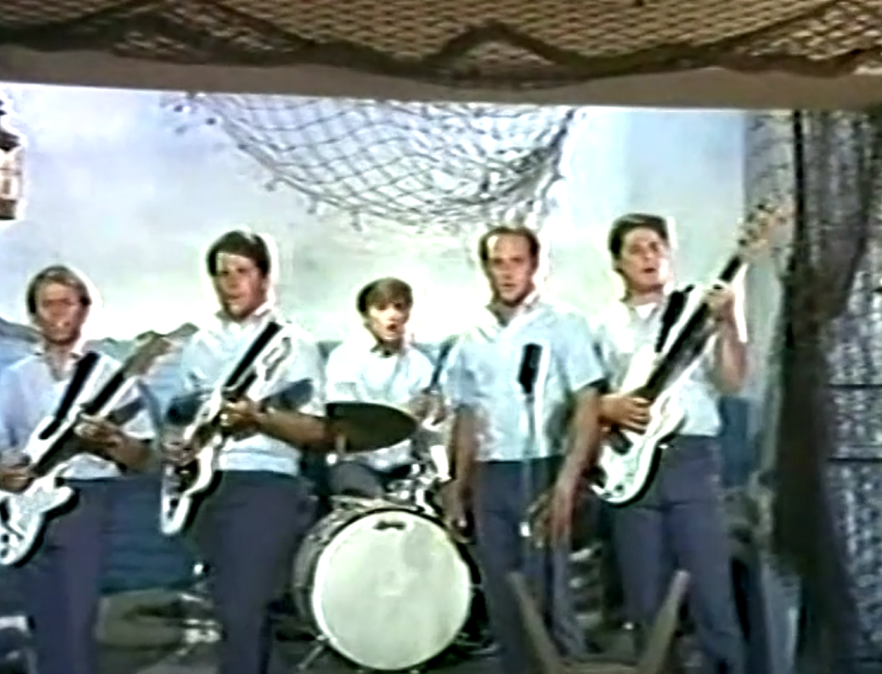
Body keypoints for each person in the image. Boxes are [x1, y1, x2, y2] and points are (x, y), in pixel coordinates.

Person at [0, 265, 156, 674]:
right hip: (24, 508)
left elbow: (144, 459)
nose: (57, 313)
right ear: (33, 315)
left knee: (75, 626)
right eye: (47, 304)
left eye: (66, 303)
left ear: (84, 310)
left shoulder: (111, 376)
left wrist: (110, 440)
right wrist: (0, 476)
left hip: (85, 503)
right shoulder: (15, 378)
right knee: (42, 626)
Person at [160, 229, 328, 674]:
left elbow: (315, 429)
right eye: (222, 274)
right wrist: (174, 444)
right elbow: (178, 416)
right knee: (236, 613)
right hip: (204, 489)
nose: (232, 283)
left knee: (243, 610)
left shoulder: (293, 345)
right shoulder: (200, 344)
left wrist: (259, 417)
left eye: (242, 272)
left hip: (265, 484)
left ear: (265, 279)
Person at [443, 225, 605, 674]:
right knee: (504, 592)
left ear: (534, 266)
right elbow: (466, 415)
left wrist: (567, 484)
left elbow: (587, 403)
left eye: (517, 262)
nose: (508, 272)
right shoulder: (470, 336)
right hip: (491, 474)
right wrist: (458, 485)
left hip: (545, 467)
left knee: (552, 593)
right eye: (498, 263)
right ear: (485, 269)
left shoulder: (564, 324)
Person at [592, 213, 746, 674]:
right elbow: (581, 401)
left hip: (691, 460)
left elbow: (732, 381)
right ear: (617, 263)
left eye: (656, 247)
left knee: (712, 594)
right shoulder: (603, 325)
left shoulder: (698, 310)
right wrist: (607, 406)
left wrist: (728, 322)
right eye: (636, 249)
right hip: (628, 469)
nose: (648, 257)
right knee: (646, 601)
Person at [324, 277, 445, 498]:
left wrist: (433, 413)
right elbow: (344, 420)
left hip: (405, 467)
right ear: (366, 315)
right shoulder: (344, 359)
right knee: (371, 504)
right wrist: (400, 415)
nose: (392, 315)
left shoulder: (420, 363)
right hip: (357, 463)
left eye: (399, 307)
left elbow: (429, 430)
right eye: (381, 308)